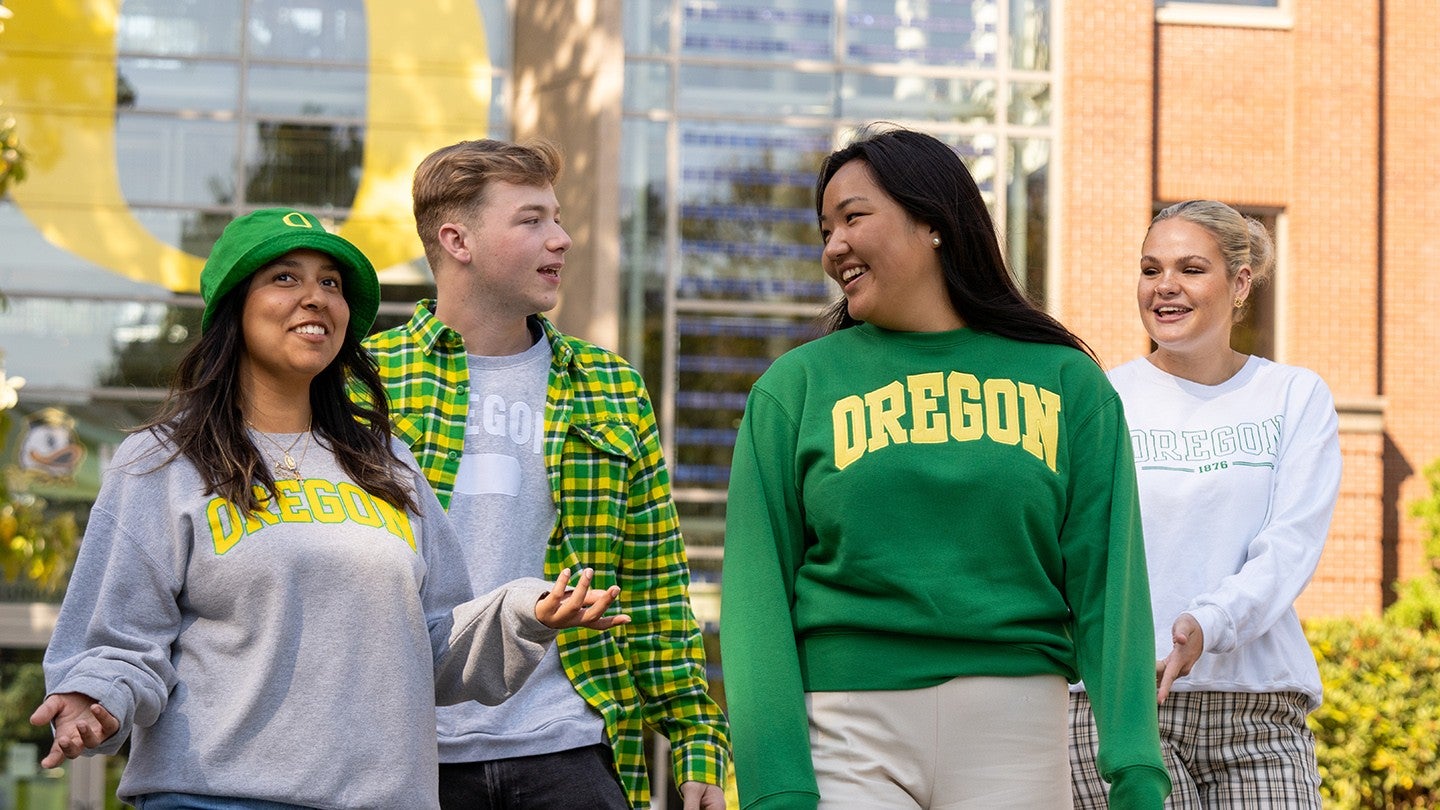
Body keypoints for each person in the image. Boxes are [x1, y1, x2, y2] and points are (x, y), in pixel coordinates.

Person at [30, 208, 628, 809]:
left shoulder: (387, 463)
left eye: (331, 284)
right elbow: (120, 638)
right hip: (218, 798)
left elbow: (435, 647)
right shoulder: (162, 461)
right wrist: (93, 695)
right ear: (233, 309)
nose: (315, 297)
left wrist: (526, 611)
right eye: (286, 278)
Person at [719, 123, 1170, 810]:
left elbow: (1111, 582)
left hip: (1017, 730)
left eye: (853, 218)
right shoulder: (796, 388)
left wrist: (1136, 770)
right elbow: (756, 597)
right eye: (824, 230)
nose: (833, 246)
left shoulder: (1065, 381)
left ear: (932, 221)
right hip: (844, 733)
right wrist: (775, 786)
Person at [362, 139, 729, 810]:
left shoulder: (610, 386)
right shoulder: (363, 383)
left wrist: (695, 733)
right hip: (404, 754)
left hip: (568, 747)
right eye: (532, 220)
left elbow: (651, 583)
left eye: (557, 218)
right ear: (457, 239)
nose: (560, 239)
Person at [1068, 200, 1341, 809]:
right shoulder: (1104, 398)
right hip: (1123, 706)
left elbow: (1289, 546)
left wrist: (1207, 623)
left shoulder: (1293, 396)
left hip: (1260, 711)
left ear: (1240, 283)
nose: (1165, 286)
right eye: (1150, 269)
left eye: (1191, 268)